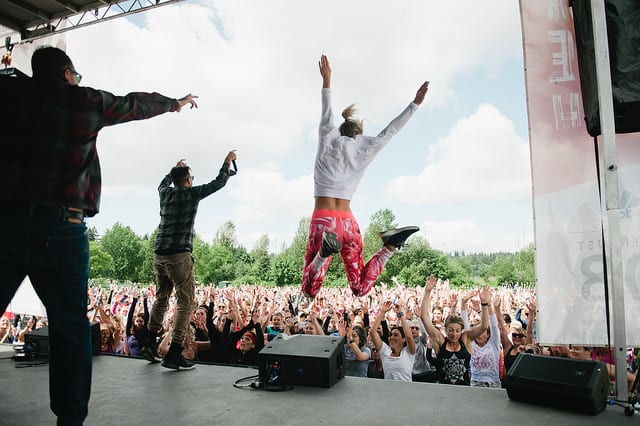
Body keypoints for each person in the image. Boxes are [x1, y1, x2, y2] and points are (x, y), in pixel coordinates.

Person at [0, 45, 198, 425]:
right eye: (75, 75)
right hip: (61, 227)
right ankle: (70, 419)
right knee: (70, 327)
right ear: (65, 73)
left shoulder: (9, 96)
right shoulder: (82, 102)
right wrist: (175, 103)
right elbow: (134, 104)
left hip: (5, 222)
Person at [301, 54, 429, 299]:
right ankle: (390, 246)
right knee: (359, 288)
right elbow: (390, 131)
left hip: (324, 220)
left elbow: (326, 111)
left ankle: (322, 255)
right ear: (359, 134)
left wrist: (327, 80)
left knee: (309, 291)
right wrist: (415, 104)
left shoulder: (328, 138)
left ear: (341, 129)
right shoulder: (365, 148)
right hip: (349, 223)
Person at [141, 152, 237, 370]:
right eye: (190, 177)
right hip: (179, 256)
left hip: (159, 255)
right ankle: (174, 352)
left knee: (162, 297)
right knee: (186, 303)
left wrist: (172, 170)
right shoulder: (191, 194)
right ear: (187, 180)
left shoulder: (165, 193)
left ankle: (149, 343)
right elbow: (218, 183)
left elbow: (161, 184)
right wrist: (227, 162)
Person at [420, 275, 490, 386]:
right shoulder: (440, 341)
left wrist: (484, 304)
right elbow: (424, 317)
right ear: (446, 329)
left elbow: (484, 326)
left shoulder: (466, 338)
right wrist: (427, 292)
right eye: (451, 330)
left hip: (463, 391)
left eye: (458, 331)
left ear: (462, 330)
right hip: (444, 390)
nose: (454, 334)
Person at [370, 300, 416, 382]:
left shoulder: (409, 352)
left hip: (406, 392)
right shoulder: (385, 351)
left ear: (403, 339)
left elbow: (409, 336)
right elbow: (373, 332)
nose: (391, 337)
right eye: (391, 335)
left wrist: (401, 315)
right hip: (389, 392)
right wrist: (382, 312)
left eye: (396, 335)